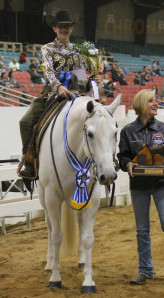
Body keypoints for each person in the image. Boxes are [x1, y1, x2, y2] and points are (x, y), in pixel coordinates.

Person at [19, 9, 101, 178]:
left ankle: (101, 159)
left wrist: (90, 82)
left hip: (74, 96)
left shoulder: (77, 51)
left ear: (71, 28)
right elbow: (49, 71)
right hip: (51, 94)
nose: (64, 29)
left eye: (67, 26)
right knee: (25, 123)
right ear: (54, 28)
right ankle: (30, 159)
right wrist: (58, 87)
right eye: (60, 26)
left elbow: (79, 77)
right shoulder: (47, 48)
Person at [117, 89, 164, 286]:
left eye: (156, 101)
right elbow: (122, 157)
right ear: (141, 104)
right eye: (151, 101)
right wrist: (127, 164)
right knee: (142, 230)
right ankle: (145, 270)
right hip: (138, 186)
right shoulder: (127, 131)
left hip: (162, 185)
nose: (156, 103)